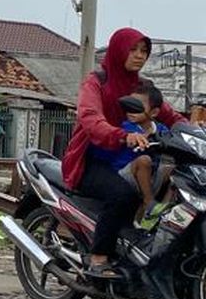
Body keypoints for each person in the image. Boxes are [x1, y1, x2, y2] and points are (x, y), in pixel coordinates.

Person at [62, 28, 184, 278]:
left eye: (144, 51)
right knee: (122, 194)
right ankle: (99, 258)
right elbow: (90, 117)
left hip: (128, 159)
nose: (140, 56)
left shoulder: (143, 86)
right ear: (118, 50)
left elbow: (169, 115)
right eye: (133, 49)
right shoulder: (96, 82)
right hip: (92, 159)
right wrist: (122, 135)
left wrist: (194, 131)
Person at [96, 80, 171, 223]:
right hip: (123, 175)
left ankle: (166, 210)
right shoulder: (124, 127)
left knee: (175, 169)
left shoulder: (162, 130)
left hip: (150, 178)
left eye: (137, 106)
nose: (131, 109)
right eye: (129, 105)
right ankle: (148, 204)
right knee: (144, 160)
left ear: (154, 112)